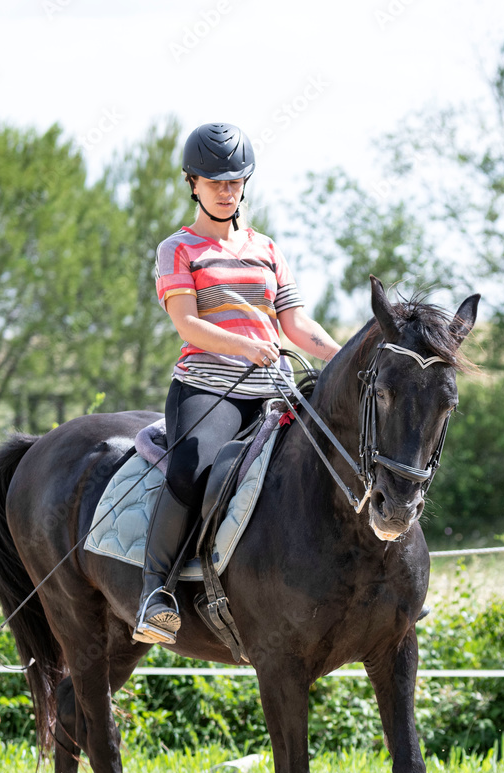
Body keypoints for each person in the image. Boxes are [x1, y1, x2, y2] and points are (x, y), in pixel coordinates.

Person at [133, 122, 340, 645]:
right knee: (191, 468)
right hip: (209, 389)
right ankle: (155, 591)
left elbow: (294, 325)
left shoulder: (267, 248)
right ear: (192, 183)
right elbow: (187, 324)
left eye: (234, 182)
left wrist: (341, 356)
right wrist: (246, 345)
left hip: (273, 388)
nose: (226, 191)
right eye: (215, 182)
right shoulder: (177, 249)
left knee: (339, 459)